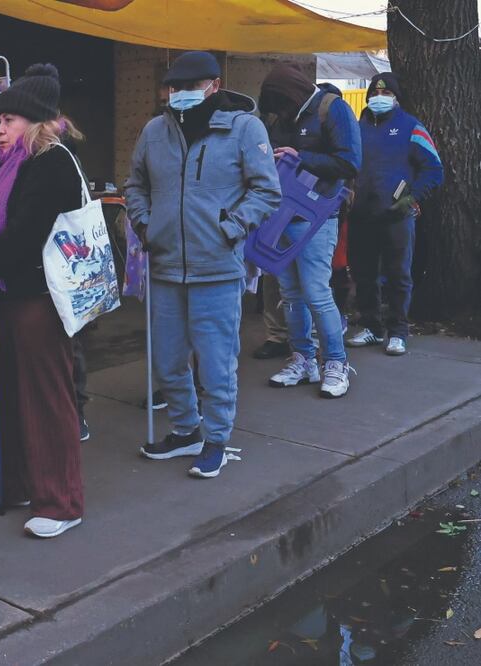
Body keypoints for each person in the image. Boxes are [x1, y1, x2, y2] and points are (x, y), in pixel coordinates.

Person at [126, 51, 280, 478]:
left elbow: (267, 191)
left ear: (213, 86)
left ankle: (216, 439)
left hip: (217, 266)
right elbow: (135, 183)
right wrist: (143, 222)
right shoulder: (155, 131)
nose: (180, 95)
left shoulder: (244, 129)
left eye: (190, 88)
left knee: (216, 362)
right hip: (165, 266)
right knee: (168, 360)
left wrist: (231, 228)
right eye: (174, 88)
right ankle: (185, 430)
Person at [0, 63, 85, 537]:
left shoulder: (51, 163)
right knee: (7, 394)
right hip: (7, 292)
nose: (0, 128)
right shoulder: (2, 162)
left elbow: (26, 236)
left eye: (9, 120)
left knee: (47, 398)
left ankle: (61, 501)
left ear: (35, 121)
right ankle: (14, 481)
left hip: (40, 296)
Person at [259, 63, 361, 399]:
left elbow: (349, 163)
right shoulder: (284, 116)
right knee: (290, 293)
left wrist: (300, 156)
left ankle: (336, 362)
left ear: (291, 96)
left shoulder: (334, 110)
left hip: (318, 215)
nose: (280, 115)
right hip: (282, 214)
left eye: (281, 107)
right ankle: (303, 359)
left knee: (317, 291)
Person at [347, 72, 443, 356]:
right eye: (375, 94)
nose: (380, 98)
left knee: (399, 274)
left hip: (397, 216)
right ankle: (372, 327)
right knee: (364, 274)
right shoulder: (356, 127)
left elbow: (434, 169)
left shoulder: (411, 127)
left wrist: (412, 197)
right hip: (361, 214)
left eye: (386, 94)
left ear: (396, 98)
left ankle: (398, 331)